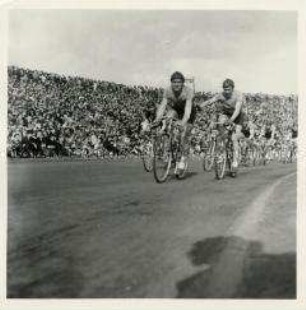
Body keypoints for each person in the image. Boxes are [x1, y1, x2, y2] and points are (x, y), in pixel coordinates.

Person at [199, 78, 248, 172]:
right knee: (221, 128)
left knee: (234, 137)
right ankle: (222, 150)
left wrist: (231, 120)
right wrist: (200, 106)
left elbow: (237, 110)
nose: (227, 91)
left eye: (229, 89)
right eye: (225, 89)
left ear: (232, 88)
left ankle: (235, 161)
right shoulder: (221, 95)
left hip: (238, 116)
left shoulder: (238, 95)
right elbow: (210, 101)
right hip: (226, 114)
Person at [154, 71, 196, 170]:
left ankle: (183, 158)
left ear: (182, 83)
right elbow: (163, 106)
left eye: (179, 82)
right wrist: (157, 118)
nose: (176, 84)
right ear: (171, 82)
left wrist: (183, 122)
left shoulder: (188, 91)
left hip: (188, 113)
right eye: (174, 82)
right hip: (176, 110)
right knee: (168, 116)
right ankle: (168, 144)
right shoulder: (167, 90)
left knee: (184, 134)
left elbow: (188, 109)